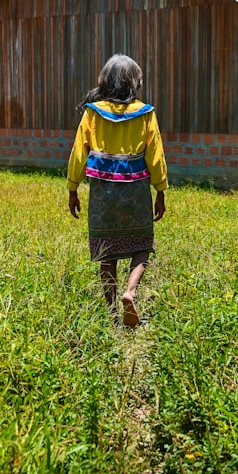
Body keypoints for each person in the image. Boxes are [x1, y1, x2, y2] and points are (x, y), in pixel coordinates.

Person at [67, 54, 167, 327]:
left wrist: (72, 188)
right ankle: (130, 292)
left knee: (107, 252)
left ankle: (112, 313)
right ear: (135, 82)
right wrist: (160, 191)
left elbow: (78, 153)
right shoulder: (146, 113)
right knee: (143, 245)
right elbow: (155, 156)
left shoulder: (92, 112)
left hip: (102, 191)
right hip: (135, 188)